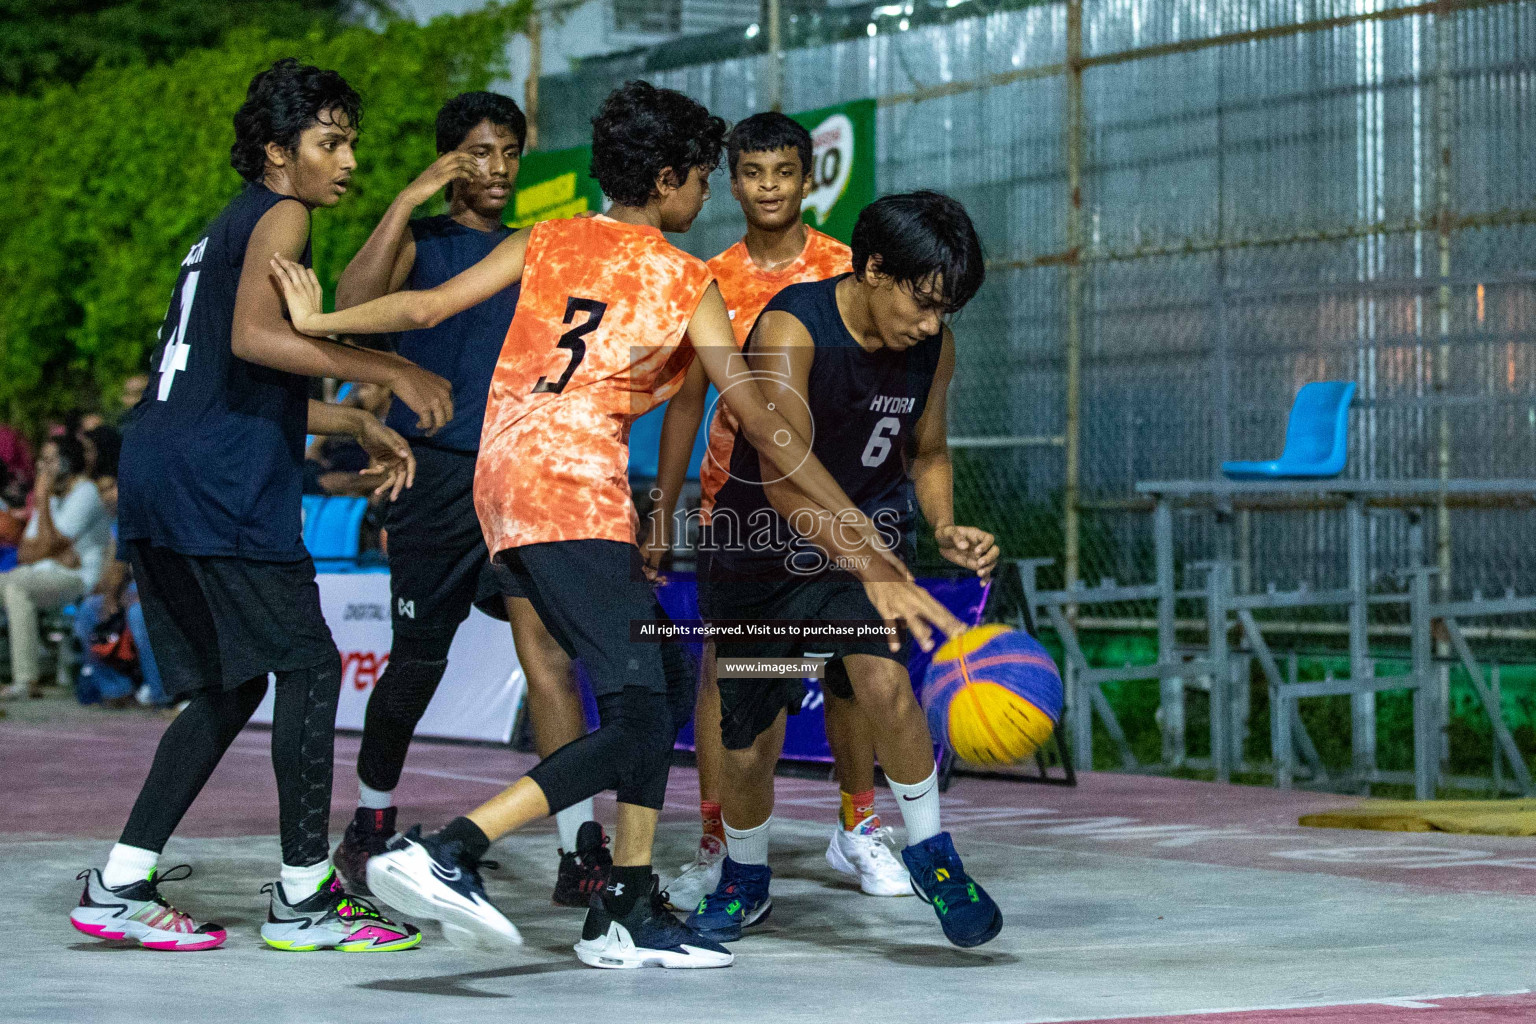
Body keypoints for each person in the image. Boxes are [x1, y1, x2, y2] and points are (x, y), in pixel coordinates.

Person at [268, 79, 962, 969]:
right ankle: (450, 852)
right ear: (668, 179)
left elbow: (425, 309)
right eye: (704, 178)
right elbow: (757, 416)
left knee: (661, 687)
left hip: (500, 477)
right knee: (644, 703)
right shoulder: (682, 275)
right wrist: (859, 535)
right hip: (567, 487)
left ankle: (626, 906)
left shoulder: (550, 236)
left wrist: (320, 317)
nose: (708, 195)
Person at [68, 58, 446, 953]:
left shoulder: (224, 228)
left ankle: (120, 882)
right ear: (279, 152)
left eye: (350, 140)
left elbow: (226, 376)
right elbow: (255, 338)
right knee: (311, 667)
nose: (347, 159)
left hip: (163, 465)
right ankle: (306, 900)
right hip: (217, 484)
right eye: (329, 142)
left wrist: (350, 420)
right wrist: (386, 367)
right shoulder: (285, 213)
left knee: (231, 687)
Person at [683, 191, 1004, 950]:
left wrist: (943, 523)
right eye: (923, 303)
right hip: (760, 547)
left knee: (885, 681)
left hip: (863, 548)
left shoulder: (934, 345)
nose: (931, 323)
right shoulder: (793, 329)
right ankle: (746, 877)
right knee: (749, 736)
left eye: (946, 309)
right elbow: (786, 476)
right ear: (873, 268)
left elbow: (926, 454)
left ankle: (933, 854)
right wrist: (878, 562)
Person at [328, 91, 606, 907]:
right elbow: (348, 306)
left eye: (509, 152)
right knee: (419, 660)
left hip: (518, 479)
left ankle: (576, 849)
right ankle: (372, 822)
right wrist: (407, 198)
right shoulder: (421, 243)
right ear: (450, 159)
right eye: (479, 153)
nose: (497, 168)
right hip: (436, 482)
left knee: (548, 657)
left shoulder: (536, 249)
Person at [642, 111, 905, 910]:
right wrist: (663, 506)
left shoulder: (844, 269)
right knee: (739, 674)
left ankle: (859, 827)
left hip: (841, 506)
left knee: (853, 669)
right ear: (733, 182)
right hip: (742, 512)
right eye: (752, 173)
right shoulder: (708, 278)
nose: (767, 187)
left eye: (783, 172)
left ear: (806, 178)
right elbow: (686, 405)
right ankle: (722, 844)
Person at [0, 435, 112, 701]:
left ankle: (26, 680)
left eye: (50, 460)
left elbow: (51, 543)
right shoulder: (50, 494)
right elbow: (27, 553)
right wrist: (50, 548)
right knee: (14, 581)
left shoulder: (85, 492)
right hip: (41, 573)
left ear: (66, 461)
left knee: (16, 587)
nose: (42, 466)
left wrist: (41, 500)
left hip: (78, 577)